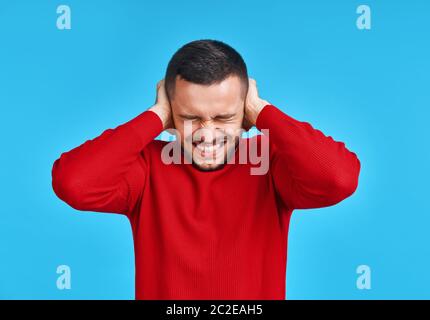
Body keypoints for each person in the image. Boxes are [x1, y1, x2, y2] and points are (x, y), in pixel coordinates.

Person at [52, 39, 361, 300]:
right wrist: (155, 116)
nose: (207, 133)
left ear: (244, 113)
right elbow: (73, 183)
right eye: (190, 117)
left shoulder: (267, 162)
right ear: (172, 114)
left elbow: (339, 178)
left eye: (224, 117)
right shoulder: (147, 167)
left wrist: (263, 112)